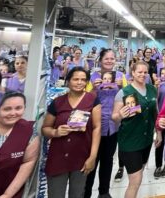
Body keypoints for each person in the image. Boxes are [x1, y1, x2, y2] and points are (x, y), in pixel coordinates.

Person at [42, 67, 101, 198]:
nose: (79, 82)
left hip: (81, 156)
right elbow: (45, 128)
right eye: (75, 79)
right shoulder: (57, 102)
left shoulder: (93, 100)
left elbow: (97, 128)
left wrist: (92, 157)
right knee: (55, 194)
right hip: (58, 157)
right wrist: (56, 132)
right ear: (68, 81)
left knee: (77, 193)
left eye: (83, 80)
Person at [84, 49, 127, 198]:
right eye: (106, 58)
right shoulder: (92, 77)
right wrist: (94, 89)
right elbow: (85, 99)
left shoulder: (121, 77)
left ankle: (104, 192)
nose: (109, 61)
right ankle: (86, 192)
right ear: (100, 60)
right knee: (91, 160)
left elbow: (129, 97)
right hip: (94, 126)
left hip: (113, 126)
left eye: (112, 58)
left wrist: (122, 87)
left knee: (107, 160)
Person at [112, 61, 158, 198]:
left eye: (145, 72)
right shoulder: (124, 92)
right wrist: (120, 115)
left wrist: (158, 132)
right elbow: (114, 117)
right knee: (135, 180)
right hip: (130, 141)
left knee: (140, 172)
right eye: (139, 72)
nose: (143, 75)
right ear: (133, 73)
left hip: (146, 139)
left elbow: (155, 111)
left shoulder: (152, 89)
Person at [0, 92, 39, 198]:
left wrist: (8, 194)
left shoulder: (29, 131)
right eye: (7, 109)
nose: (13, 113)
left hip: (10, 190)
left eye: (18, 108)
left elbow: (28, 162)